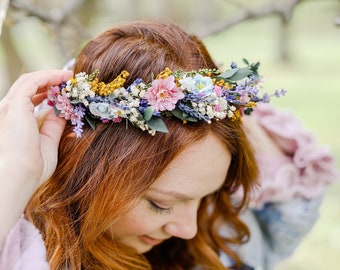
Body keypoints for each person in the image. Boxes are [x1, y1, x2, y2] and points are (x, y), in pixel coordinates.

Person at [0, 20, 337, 270]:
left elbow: (292, 210)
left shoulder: (202, 248)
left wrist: (214, 100)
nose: (188, 229)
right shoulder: (22, 253)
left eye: (206, 195)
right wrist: (17, 175)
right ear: (83, 167)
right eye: (161, 204)